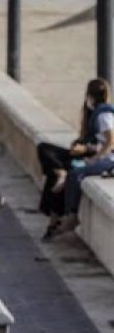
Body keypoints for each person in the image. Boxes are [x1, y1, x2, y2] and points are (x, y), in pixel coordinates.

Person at [54, 79, 114, 234]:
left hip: (110, 159)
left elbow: (111, 141)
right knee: (71, 168)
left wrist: (95, 158)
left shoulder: (103, 115)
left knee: (76, 174)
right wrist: (88, 148)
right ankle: (61, 214)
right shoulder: (103, 112)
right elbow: (104, 142)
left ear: (90, 96)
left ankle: (72, 215)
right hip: (107, 156)